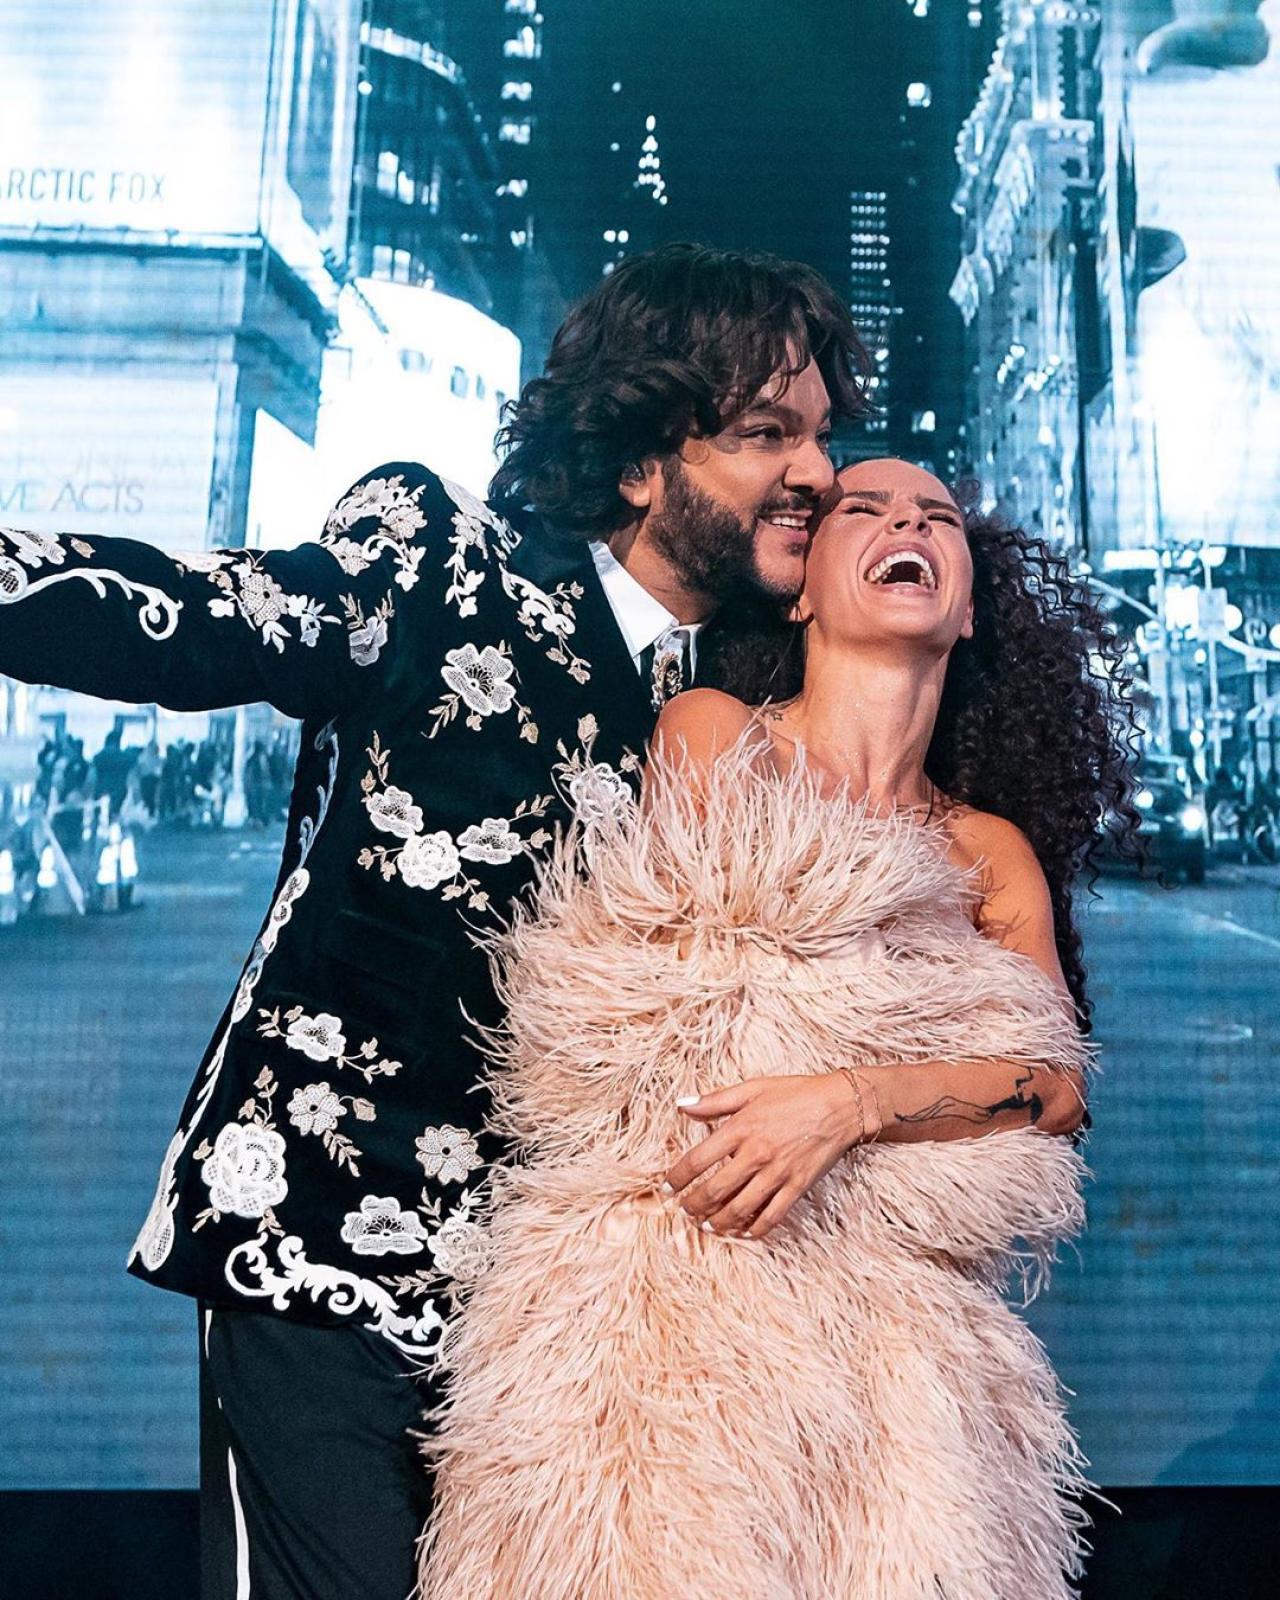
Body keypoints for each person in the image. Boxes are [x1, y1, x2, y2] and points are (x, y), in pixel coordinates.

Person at [0, 243, 869, 1600]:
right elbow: (200, 618)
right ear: (643, 459)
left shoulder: (768, 697)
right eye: (769, 433)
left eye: (820, 433)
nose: (815, 468)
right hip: (321, 1245)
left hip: (577, 1328)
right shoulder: (444, 557)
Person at [414, 459, 1142, 1599]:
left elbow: (1052, 1088)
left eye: (937, 517)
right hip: (674, 1317)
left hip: (901, 1369)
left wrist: (852, 1103)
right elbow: (713, 1018)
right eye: (867, 509)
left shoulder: (990, 851)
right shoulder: (717, 735)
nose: (907, 522)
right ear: (800, 591)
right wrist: (933, 1061)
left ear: (964, 609)